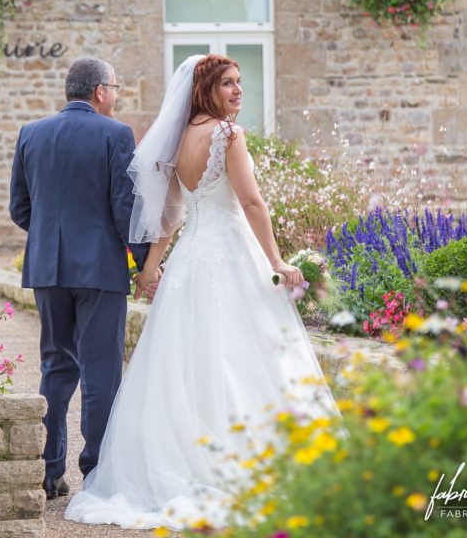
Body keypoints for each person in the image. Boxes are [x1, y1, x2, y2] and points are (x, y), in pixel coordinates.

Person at [64, 55, 339, 530]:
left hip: (192, 258)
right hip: (231, 253)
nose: (238, 91)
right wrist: (276, 261)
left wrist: (151, 267)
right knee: (243, 354)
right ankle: (240, 466)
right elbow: (251, 202)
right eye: (227, 84)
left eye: (239, 83)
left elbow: (169, 214)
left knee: (189, 359)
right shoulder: (227, 136)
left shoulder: (178, 137)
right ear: (205, 89)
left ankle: (191, 459)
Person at [9, 58, 151, 500]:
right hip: (100, 270)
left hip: (48, 269)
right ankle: (96, 472)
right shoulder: (116, 134)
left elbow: (20, 208)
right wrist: (146, 262)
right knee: (101, 371)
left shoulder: (31, 133)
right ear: (100, 92)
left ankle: (49, 471)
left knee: (56, 364)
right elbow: (126, 209)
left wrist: (52, 237)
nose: (117, 95)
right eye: (116, 87)